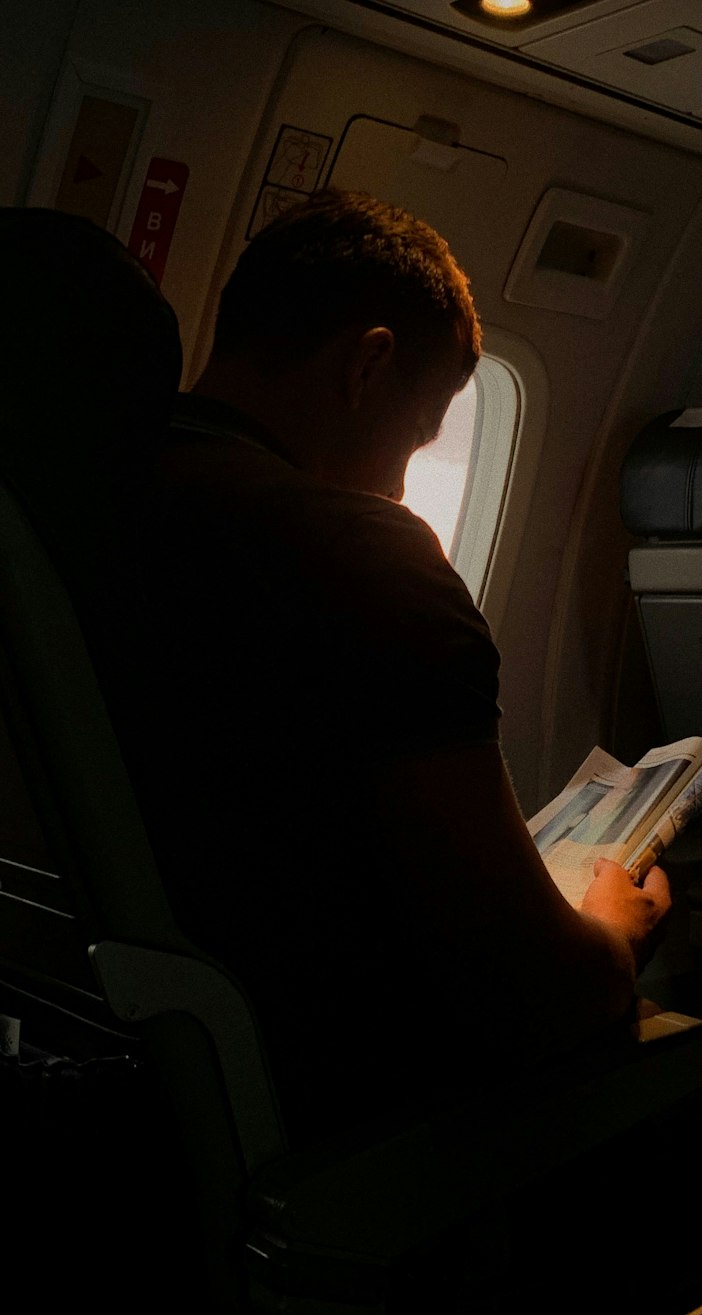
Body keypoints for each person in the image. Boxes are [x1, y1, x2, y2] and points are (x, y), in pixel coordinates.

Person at [126, 187, 672, 1150]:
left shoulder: (88, 503)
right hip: (334, 1109)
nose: (401, 485)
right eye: (417, 435)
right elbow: (539, 994)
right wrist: (609, 930)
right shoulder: (359, 552)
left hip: (131, 1070)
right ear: (369, 363)